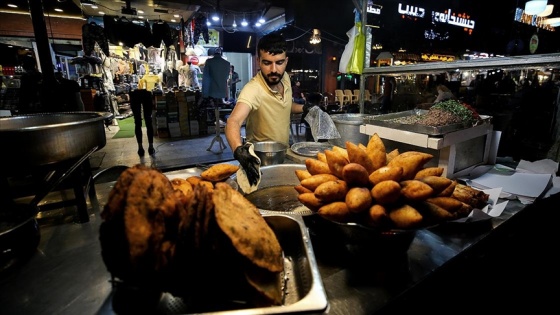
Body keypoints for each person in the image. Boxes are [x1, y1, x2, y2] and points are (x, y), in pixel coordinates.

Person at [225, 33, 305, 186]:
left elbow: (287, 106)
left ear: (286, 61)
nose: (274, 70)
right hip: (258, 163)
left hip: (283, 155)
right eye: (267, 63)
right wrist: (239, 151)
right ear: (258, 61)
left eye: (279, 62)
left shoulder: (285, 78)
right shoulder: (253, 89)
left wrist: (304, 108)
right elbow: (233, 121)